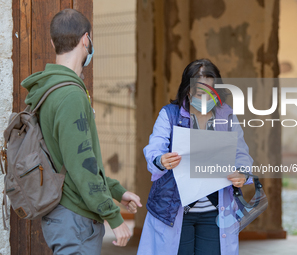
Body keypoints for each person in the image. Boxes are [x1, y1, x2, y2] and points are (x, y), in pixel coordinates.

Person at [21, 9, 142, 254]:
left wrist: (117, 191)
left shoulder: (48, 88)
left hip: (65, 215)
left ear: (54, 42)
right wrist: (114, 217)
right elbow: (81, 165)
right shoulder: (70, 95)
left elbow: (73, 158)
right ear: (86, 39)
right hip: (74, 217)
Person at [137, 59, 253, 255]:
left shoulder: (227, 115)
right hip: (174, 210)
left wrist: (241, 172)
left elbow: (241, 154)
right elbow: (154, 147)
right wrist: (161, 160)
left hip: (215, 211)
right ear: (188, 91)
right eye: (200, 93)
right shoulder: (169, 114)